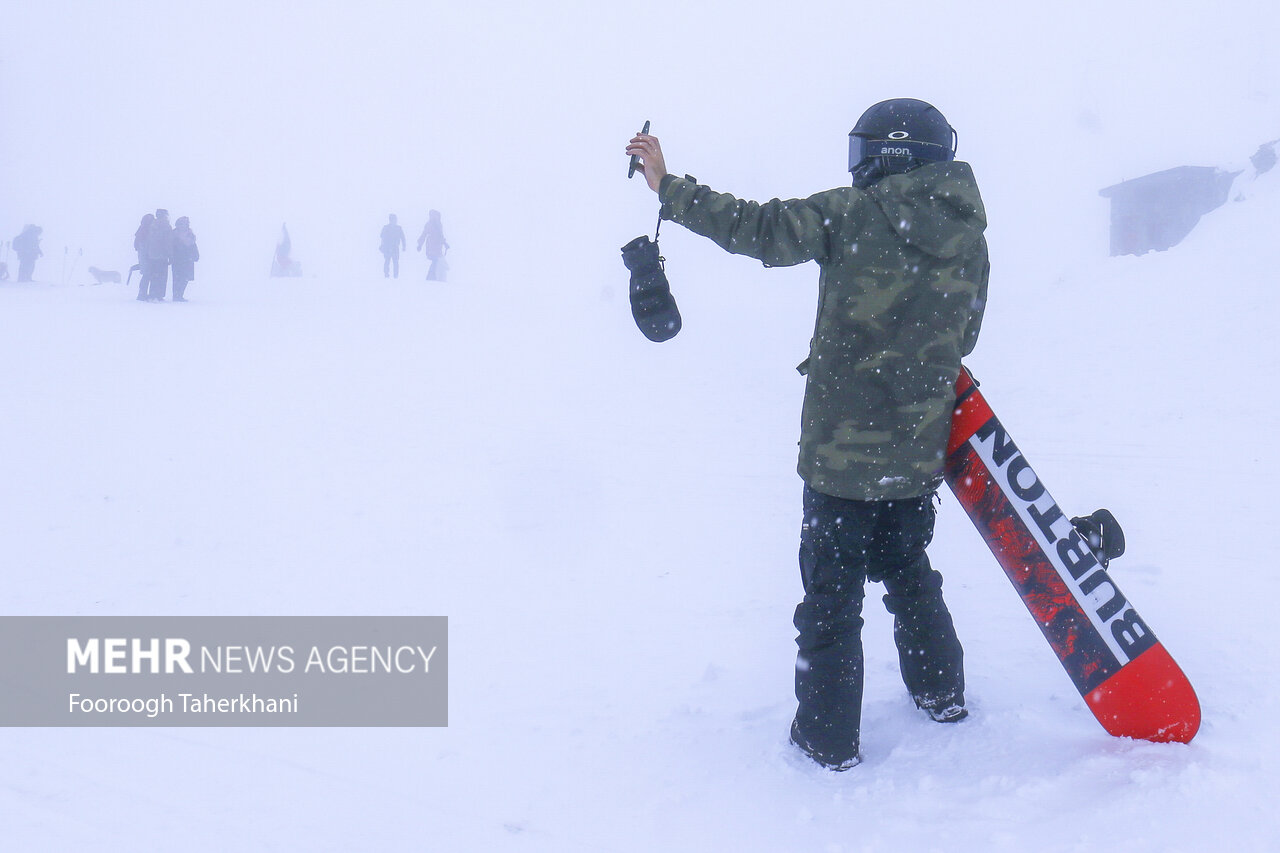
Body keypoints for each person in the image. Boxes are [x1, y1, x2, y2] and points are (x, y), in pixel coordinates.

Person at [625, 99, 989, 770]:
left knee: (831, 599)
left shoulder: (852, 214)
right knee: (909, 575)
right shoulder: (969, 235)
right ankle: (942, 693)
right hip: (913, 457)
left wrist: (668, 188)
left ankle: (826, 739)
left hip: (840, 462)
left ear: (891, 154)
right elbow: (963, 335)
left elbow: (757, 228)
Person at [143, 209, 173, 302]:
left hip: (152, 254)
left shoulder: (152, 225)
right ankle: (159, 294)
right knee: (162, 276)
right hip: (162, 254)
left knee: (154, 275)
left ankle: (152, 294)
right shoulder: (166, 226)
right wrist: (170, 254)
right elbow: (168, 241)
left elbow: (148, 240)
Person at [171, 216, 199, 302]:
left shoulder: (190, 234)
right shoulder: (174, 234)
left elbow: (193, 245)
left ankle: (180, 295)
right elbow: (171, 246)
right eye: (183, 223)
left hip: (188, 259)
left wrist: (196, 255)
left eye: (187, 223)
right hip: (177, 259)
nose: (185, 225)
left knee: (185, 278)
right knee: (177, 278)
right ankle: (176, 296)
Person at [417, 210, 450, 281]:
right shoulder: (430, 224)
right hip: (432, 246)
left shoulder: (438, 224)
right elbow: (424, 234)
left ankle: (433, 277)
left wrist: (445, 243)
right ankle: (431, 277)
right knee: (435, 260)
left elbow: (441, 236)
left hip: (437, 246)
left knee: (437, 261)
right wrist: (420, 245)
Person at [133, 213, 155, 300]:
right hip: (147, 256)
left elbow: (136, 246)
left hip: (144, 256)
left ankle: (142, 293)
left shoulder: (141, 231)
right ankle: (142, 294)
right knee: (147, 275)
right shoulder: (146, 231)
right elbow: (144, 246)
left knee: (147, 275)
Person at [380, 214, 407, 278]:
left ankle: (396, 276)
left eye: (395, 219)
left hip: (395, 248)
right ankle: (386, 275)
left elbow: (403, 238)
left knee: (396, 262)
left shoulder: (399, 228)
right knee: (387, 261)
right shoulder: (385, 228)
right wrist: (382, 245)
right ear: (390, 220)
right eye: (393, 219)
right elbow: (382, 237)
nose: (394, 221)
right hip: (387, 248)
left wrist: (404, 246)